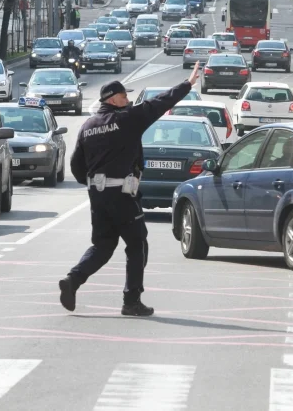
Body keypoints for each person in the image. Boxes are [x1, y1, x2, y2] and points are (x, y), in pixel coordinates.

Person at [58, 61, 202, 316]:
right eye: (125, 96)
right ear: (113, 100)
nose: (128, 100)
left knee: (102, 246)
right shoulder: (127, 120)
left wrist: (95, 185)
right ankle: (131, 301)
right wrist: (187, 84)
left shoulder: (88, 127)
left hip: (98, 196)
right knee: (137, 244)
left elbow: (76, 165)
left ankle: (73, 279)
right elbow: (159, 104)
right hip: (122, 196)